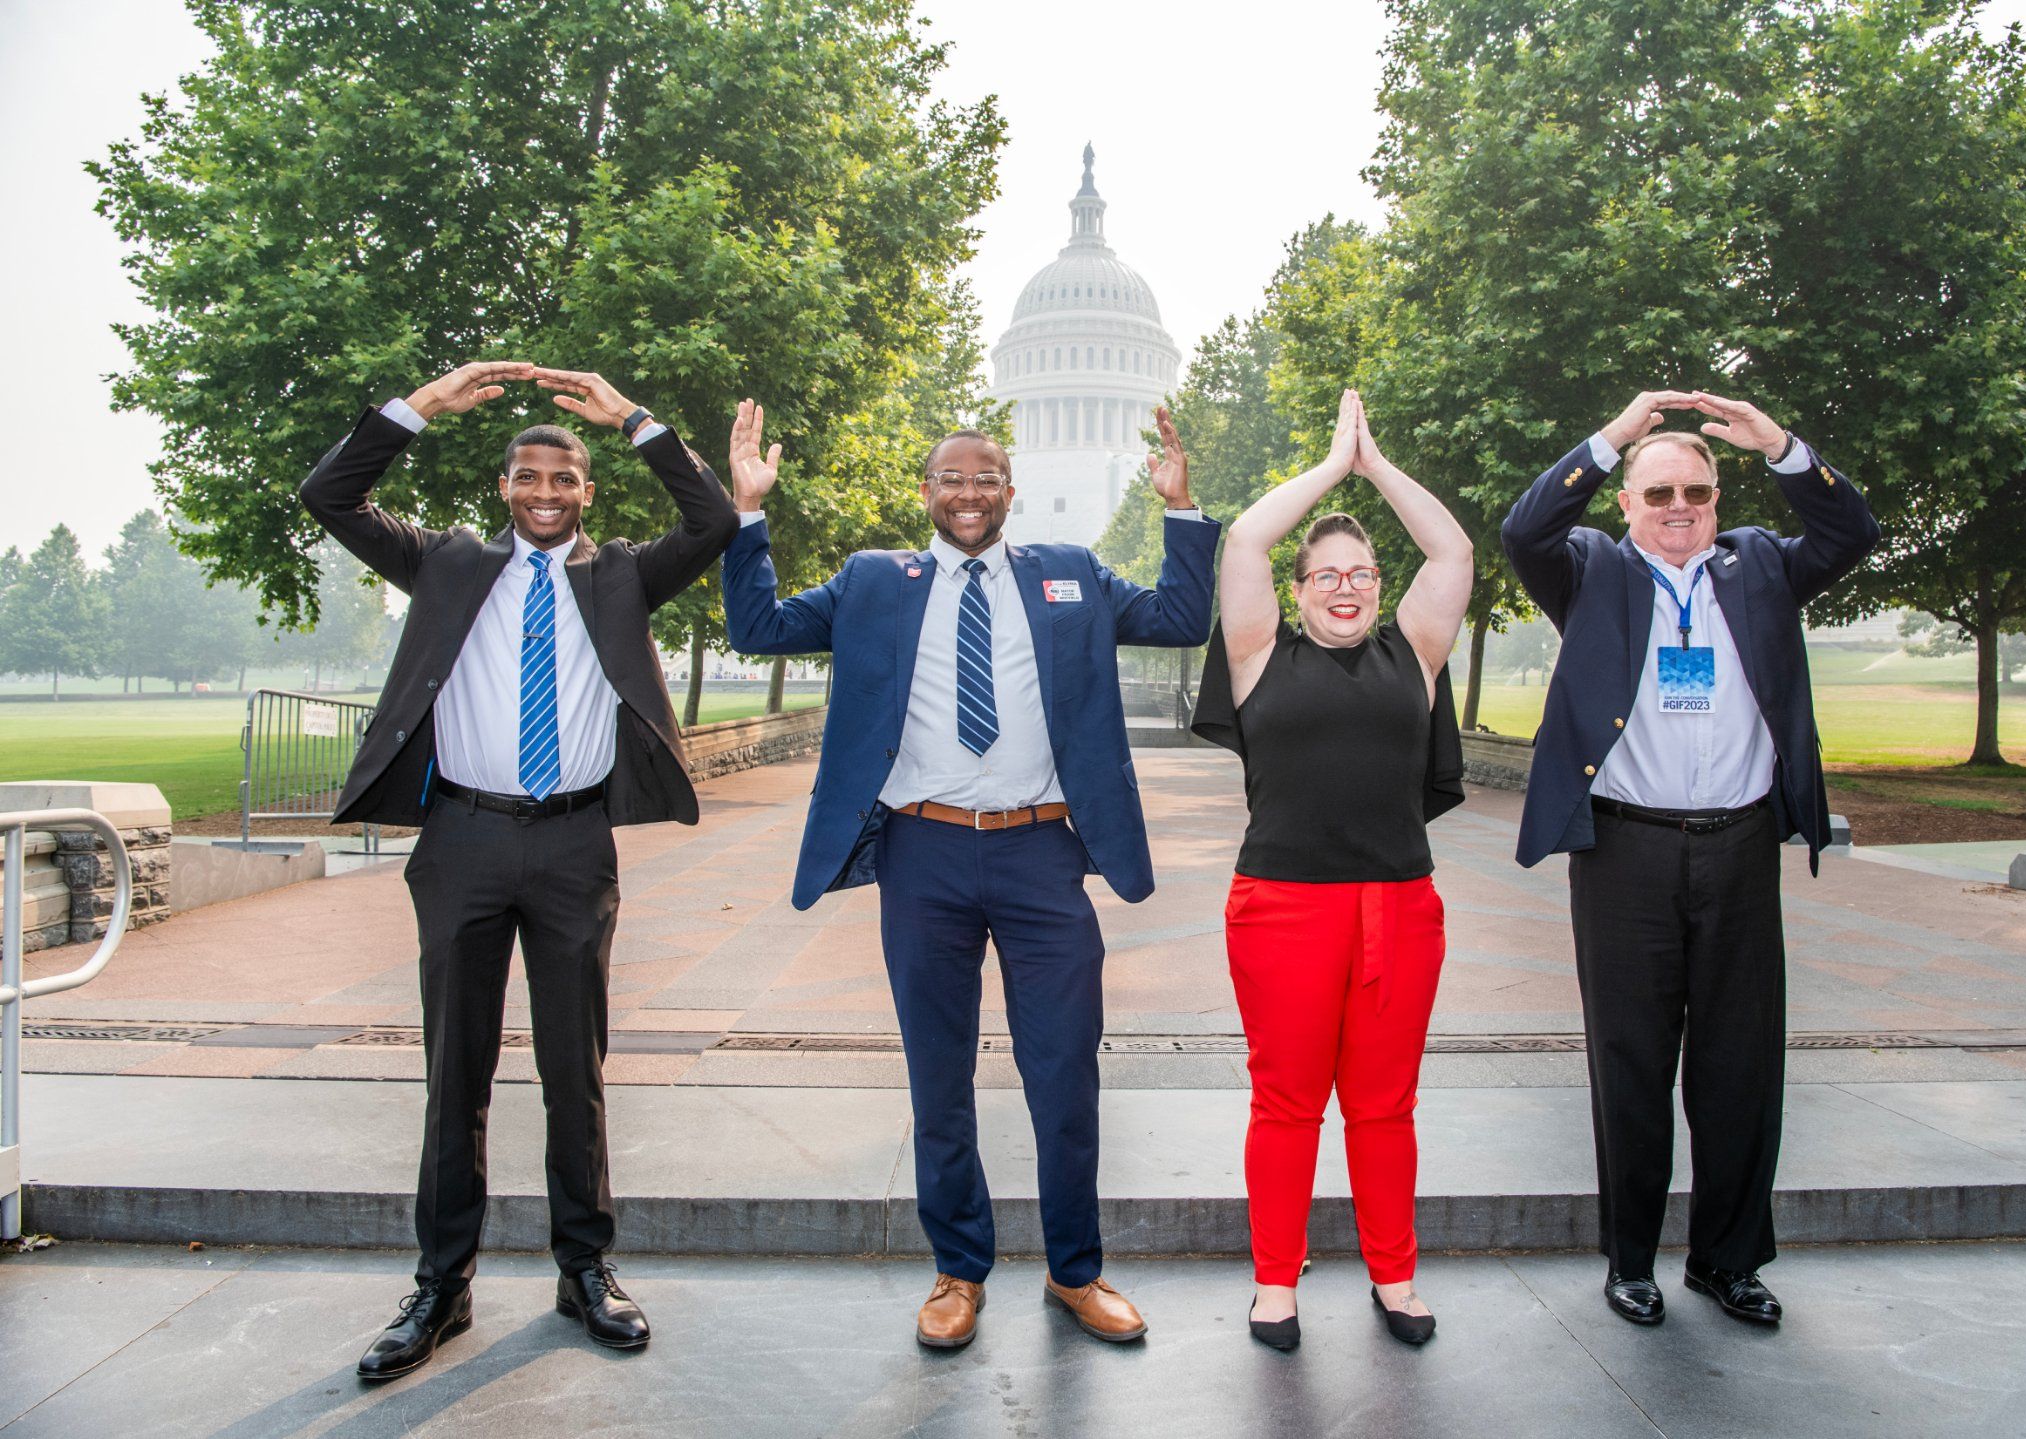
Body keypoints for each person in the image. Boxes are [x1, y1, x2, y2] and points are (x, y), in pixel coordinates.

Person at [718, 399, 1218, 1349]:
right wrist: (748, 514)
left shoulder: (1068, 573)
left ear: (1009, 491)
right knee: (938, 1076)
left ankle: (1077, 1270)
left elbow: (1181, 615)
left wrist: (1180, 510)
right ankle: (958, 1270)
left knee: (1065, 1071)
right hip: (925, 853)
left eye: (986, 477)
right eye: (953, 478)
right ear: (928, 492)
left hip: (1042, 853)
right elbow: (759, 629)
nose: (970, 493)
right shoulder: (874, 581)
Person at [300, 361, 737, 1379]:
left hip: (576, 844)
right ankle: (440, 1284)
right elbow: (330, 494)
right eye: (528, 477)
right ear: (503, 486)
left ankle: (583, 1267)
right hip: (462, 840)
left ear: (588, 490)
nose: (546, 492)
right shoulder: (447, 563)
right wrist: (421, 407)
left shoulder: (621, 573)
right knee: (454, 1070)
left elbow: (712, 518)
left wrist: (631, 416)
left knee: (571, 1068)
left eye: (565, 479)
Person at [1499, 389, 1880, 1328]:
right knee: (1630, 1062)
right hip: (1626, 851)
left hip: (1741, 846)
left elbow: (1853, 529)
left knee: (1740, 1064)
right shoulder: (1592, 567)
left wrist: (1784, 445)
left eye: (1697, 492)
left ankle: (1727, 1258)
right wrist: (1617, 434)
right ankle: (1631, 1259)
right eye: (1659, 490)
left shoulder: (1761, 567)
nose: (1680, 507)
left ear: (1718, 496)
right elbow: (1525, 528)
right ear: (1627, 501)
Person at [1192, 390, 1473, 1351]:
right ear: (1300, 586)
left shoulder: (1415, 653)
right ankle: (1277, 1282)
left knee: (1386, 1106)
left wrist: (1377, 465)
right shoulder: (1257, 652)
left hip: (1400, 905)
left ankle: (1395, 1277)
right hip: (1282, 907)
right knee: (1287, 1102)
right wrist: (1329, 467)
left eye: (1360, 573)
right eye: (1326, 574)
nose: (1345, 588)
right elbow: (1241, 544)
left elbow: (1453, 555)